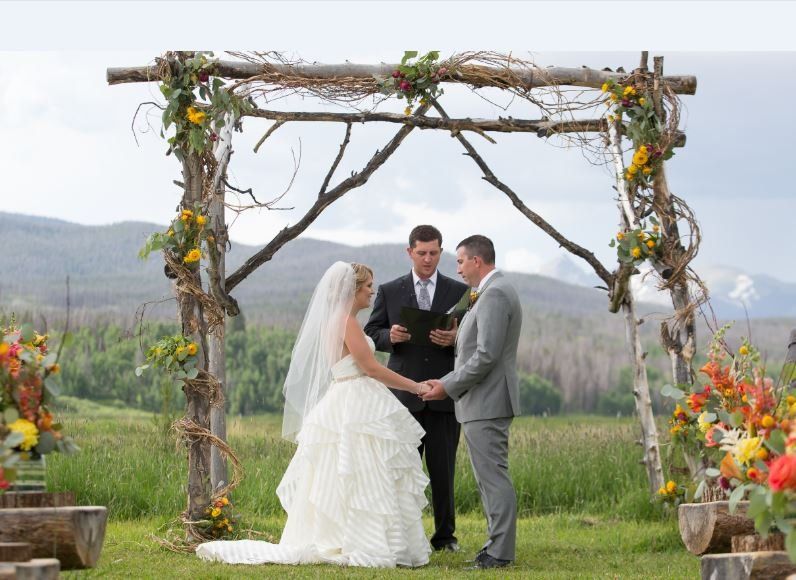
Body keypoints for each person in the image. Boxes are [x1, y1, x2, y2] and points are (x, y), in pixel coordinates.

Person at [197, 262, 432, 568]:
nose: (373, 291)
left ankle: (349, 535)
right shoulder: (347, 322)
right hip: (355, 399)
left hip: (344, 395)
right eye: (368, 286)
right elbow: (372, 368)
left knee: (348, 472)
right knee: (362, 470)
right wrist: (416, 386)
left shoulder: (336, 320)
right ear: (354, 289)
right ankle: (363, 541)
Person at [364, 225, 468, 552]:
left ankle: (445, 537)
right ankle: (404, 536)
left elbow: (474, 334)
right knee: (402, 472)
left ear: (441, 252)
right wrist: (389, 337)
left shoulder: (459, 291)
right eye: (421, 253)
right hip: (403, 397)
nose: (428, 259)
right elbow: (371, 331)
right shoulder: (390, 290)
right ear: (409, 252)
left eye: (434, 253)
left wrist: (456, 339)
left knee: (443, 471)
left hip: (444, 394)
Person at [422, 235, 522, 570]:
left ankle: (500, 553)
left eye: (460, 261)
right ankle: (495, 545)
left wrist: (446, 387)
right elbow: (477, 345)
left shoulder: (493, 294)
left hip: (487, 399)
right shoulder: (488, 293)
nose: (458, 269)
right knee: (488, 477)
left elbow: (486, 355)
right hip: (484, 400)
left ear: (477, 261)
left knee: (493, 477)